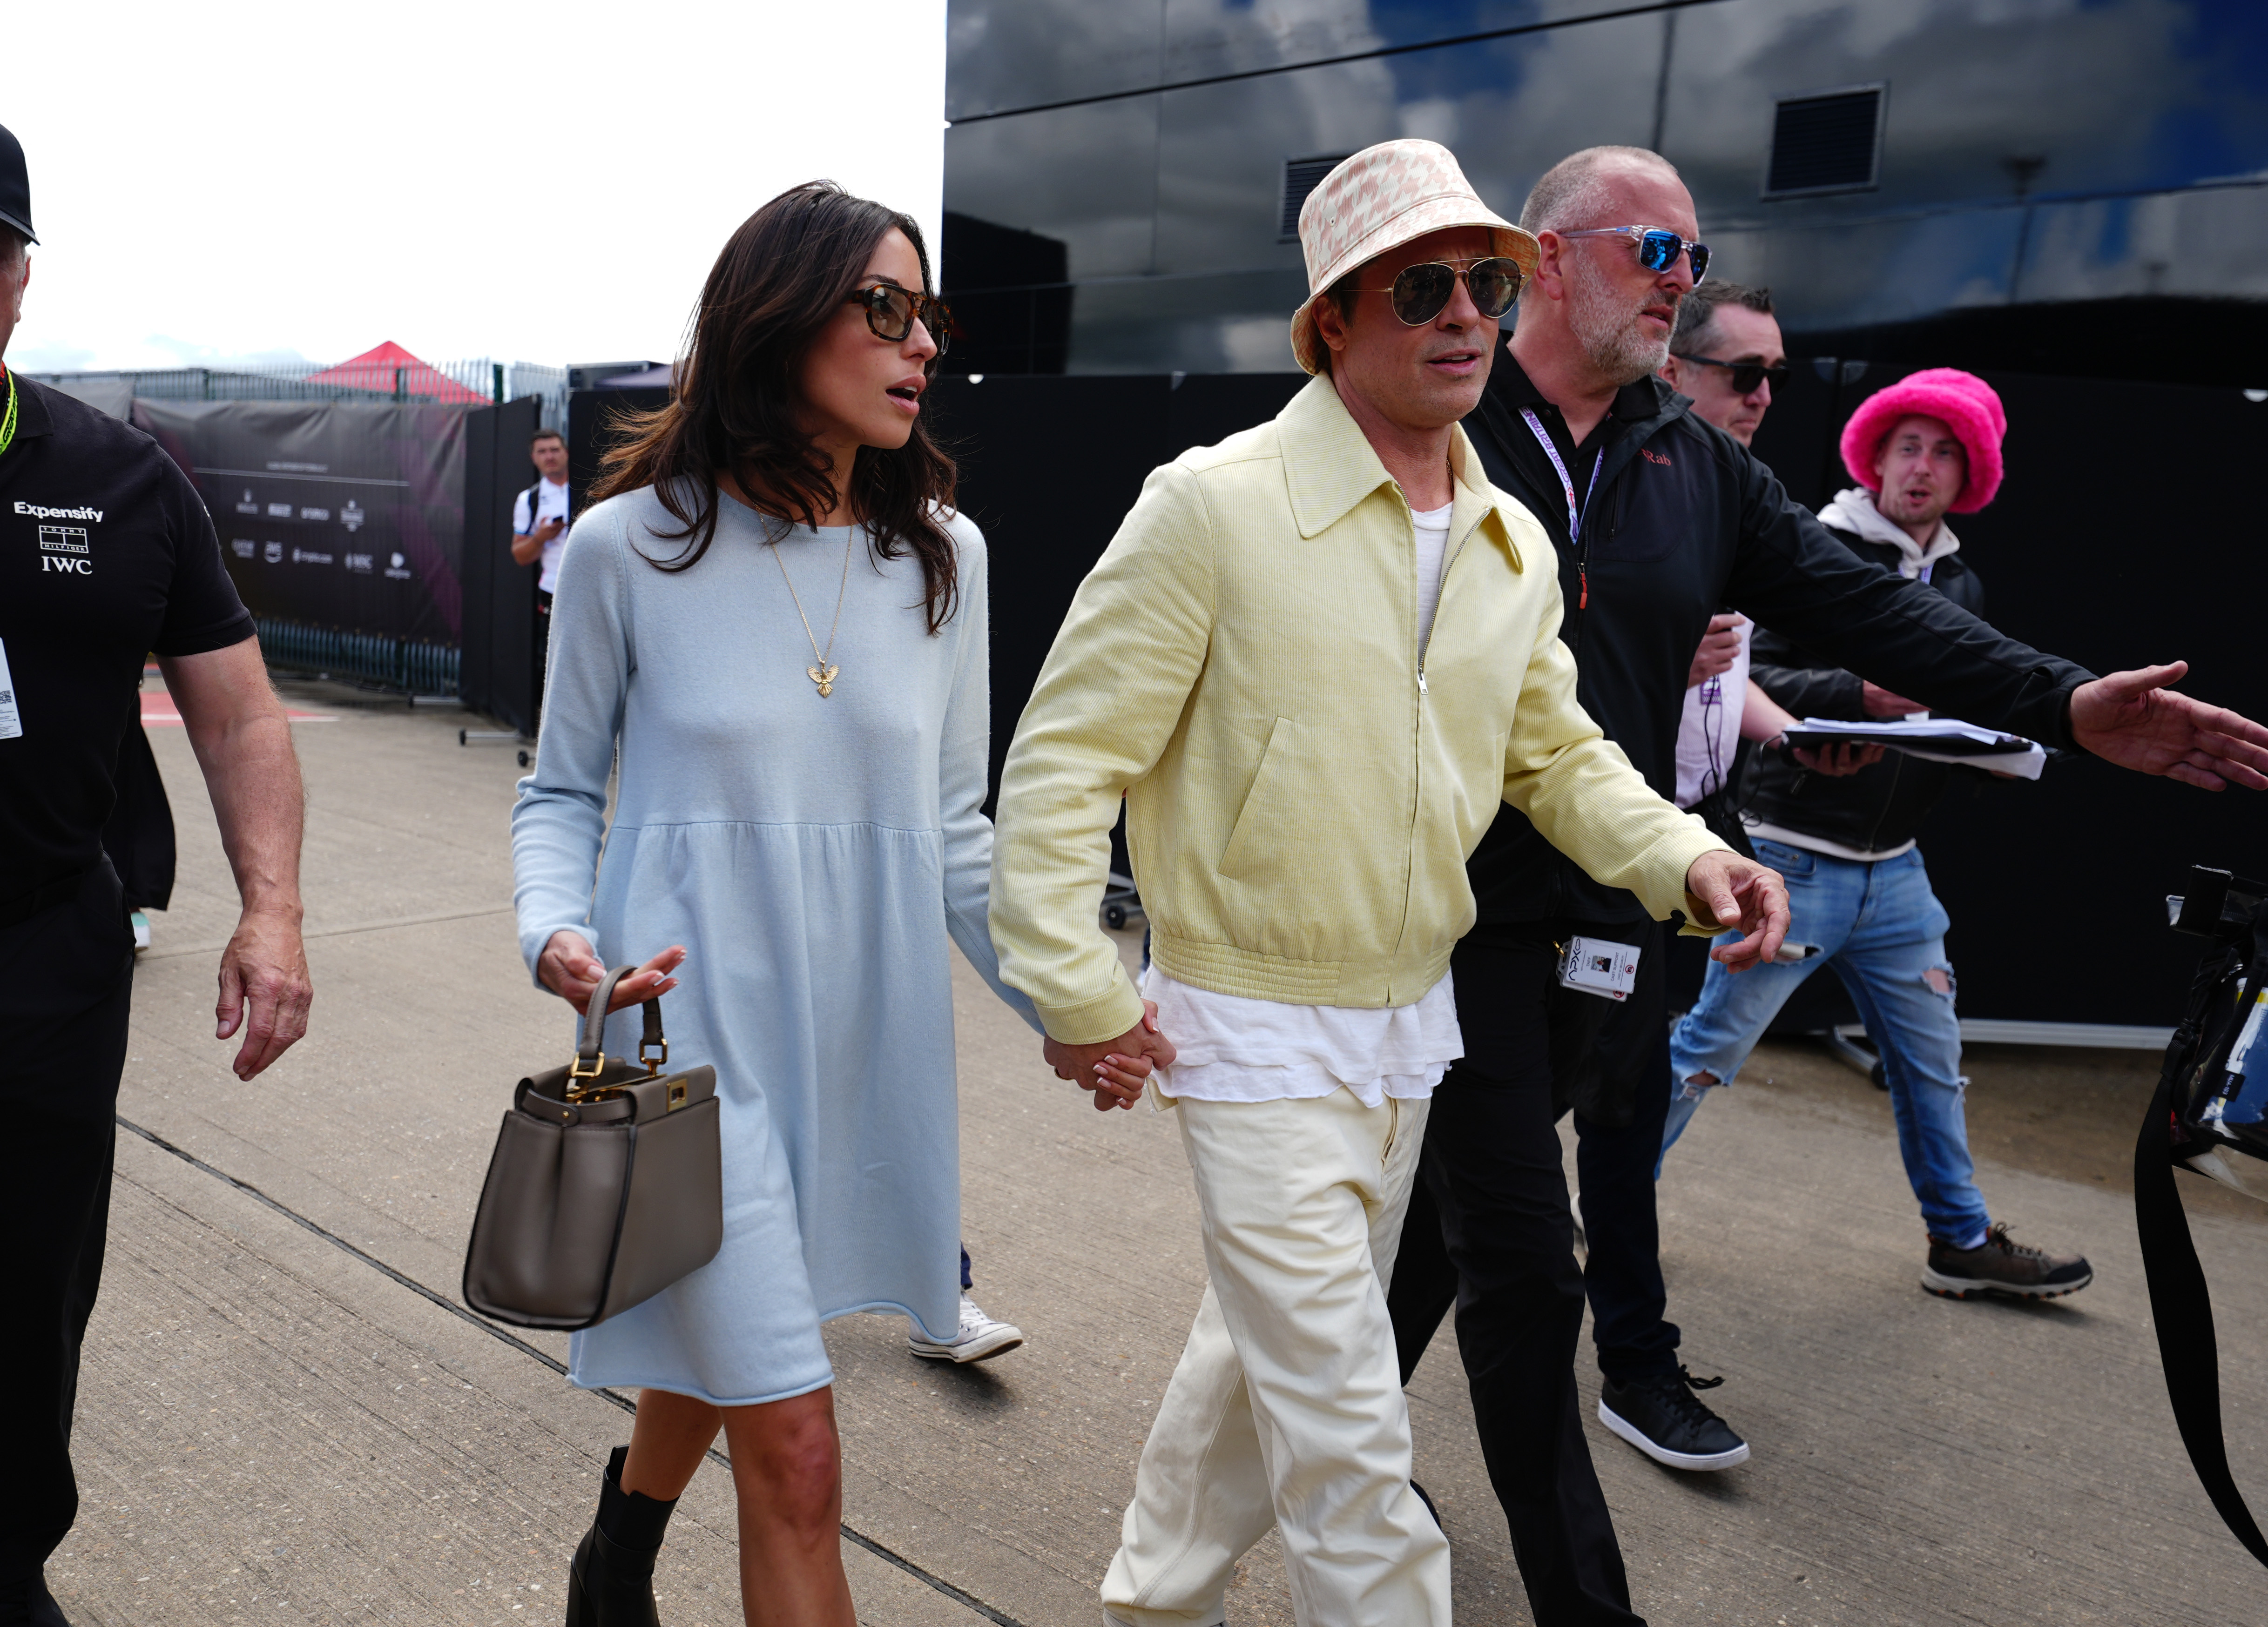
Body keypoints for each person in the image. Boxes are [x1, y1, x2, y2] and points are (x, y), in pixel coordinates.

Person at [1383, 143, 2268, 1622]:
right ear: (1541, 257)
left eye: (1693, 258)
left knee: (1449, 1225)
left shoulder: (1694, 465)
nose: (1682, 285)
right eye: (1650, 252)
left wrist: (2064, 703)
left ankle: (1324, 1437)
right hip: (1424, 912)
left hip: (1612, 905)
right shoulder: (1436, 417)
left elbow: (1866, 607)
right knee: (1527, 1260)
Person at [987, 140, 1789, 1627]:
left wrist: (1691, 856)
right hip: (1243, 1024)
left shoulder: (1504, 543)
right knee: (1354, 1435)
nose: (1466, 313)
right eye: (1419, 285)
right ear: (1332, 322)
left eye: (1485, 281)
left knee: (1258, 1357)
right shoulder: (1210, 505)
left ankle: (1151, 1603)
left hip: (1407, 1027)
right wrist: (1079, 988)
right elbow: (1058, 767)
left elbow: (1556, 751)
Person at [510, 181, 1065, 1627]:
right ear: (778, 319)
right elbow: (559, 793)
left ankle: (618, 1545)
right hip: (689, 1042)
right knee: (800, 1448)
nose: (920, 342)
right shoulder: (628, 549)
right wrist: (557, 936)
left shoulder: (948, 557)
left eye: (925, 313)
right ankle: (627, 1553)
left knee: (735, 1341)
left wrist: (1080, 1008)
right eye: (883, 308)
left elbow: (958, 835)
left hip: (861, 1040)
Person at [0, 121, 314, 1627]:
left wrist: (271, 906)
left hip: (41, 963)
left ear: (18, 276)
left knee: (31, 1296)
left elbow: (240, 708)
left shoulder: (120, 480)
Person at [1664, 369, 2094, 1300]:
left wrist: (1998, 747)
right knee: (1705, 1050)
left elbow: (1958, 702)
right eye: (1909, 445)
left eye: (1945, 451)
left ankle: (1961, 1238)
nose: (1922, 467)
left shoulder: (1962, 581)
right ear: (1875, 453)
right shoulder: (1810, 545)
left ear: (1968, 473)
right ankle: (1594, 1209)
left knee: (1934, 1065)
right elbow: (1754, 675)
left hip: (1896, 873)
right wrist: (1853, 697)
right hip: (1787, 854)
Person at [511, 428, 571, 711]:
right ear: (533, 458)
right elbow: (520, 555)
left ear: (566, 452)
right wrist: (541, 538)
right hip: (554, 591)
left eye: (555, 450)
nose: (550, 457)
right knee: (554, 659)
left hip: (598, 586)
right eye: (542, 452)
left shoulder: (590, 485)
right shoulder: (529, 500)